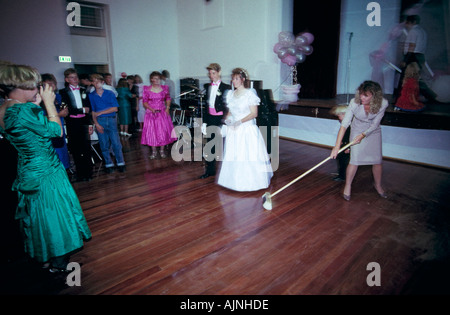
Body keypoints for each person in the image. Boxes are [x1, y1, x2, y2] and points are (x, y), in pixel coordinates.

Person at [0, 63, 91, 272]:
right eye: (34, 86)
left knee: (38, 218)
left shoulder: (4, 108)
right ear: (21, 87)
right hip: (46, 171)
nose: (38, 90)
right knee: (55, 218)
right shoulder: (24, 110)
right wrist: (49, 105)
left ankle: (45, 258)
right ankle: (58, 264)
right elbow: (55, 132)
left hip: (26, 168)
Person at [331, 80, 389, 201]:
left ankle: (378, 185)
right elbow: (344, 125)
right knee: (354, 160)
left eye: (366, 95)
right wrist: (337, 147)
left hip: (373, 131)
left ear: (374, 96)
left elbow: (375, 124)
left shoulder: (383, 103)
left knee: (377, 160)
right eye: (361, 93)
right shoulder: (354, 103)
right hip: (357, 129)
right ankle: (347, 185)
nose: (362, 97)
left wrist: (363, 135)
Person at [217, 68, 273, 191]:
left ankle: (251, 182)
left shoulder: (250, 94)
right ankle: (233, 182)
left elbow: (254, 113)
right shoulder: (231, 94)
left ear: (243, 80)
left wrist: (239, 122)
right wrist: (227, 121)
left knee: (248, 155)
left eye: (237, 78)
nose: (234, 81)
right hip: (234, 129)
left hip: (247, 128)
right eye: (233, 78)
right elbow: (230, 112)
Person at [60, 68, 94, 182]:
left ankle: (89, 172)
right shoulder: (63, 92)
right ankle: (80, 173)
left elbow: (89, 109)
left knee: (86, 148)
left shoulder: (83, 90)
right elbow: (67, 110)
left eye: (76, 77)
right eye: (72, 77)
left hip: (84, 121)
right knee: (76, 149)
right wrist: (81, 110)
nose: (75, 79)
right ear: (67, 79)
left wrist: (90, 124)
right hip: (72, 123)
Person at [88, 74, 126, 173]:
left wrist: (100, 112)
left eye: (98, 81)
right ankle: (108, 164)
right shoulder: (91, 96)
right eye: (94, 82)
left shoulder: (110, 93)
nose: (96, 84)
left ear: (102, 82)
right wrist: (96, 123)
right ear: (92, 83)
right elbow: (93, 111)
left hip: (111, 120)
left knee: (116, 143)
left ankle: (120, 162)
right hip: (100, 121)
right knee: (103, 144)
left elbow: (115, 108)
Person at [200, 63, 231, 179]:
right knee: (210, 144)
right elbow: (206, 105)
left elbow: (228, 106)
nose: (211, 75)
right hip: (210, 118)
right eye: (210, 73)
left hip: (220, 118)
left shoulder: (226, 87)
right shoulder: (208, 86)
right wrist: (204, 122)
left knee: (224, 145)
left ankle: (227, 171)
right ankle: (210, 170)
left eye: (213, 73)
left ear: (219, 72)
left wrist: (224, 122)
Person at [396, 15, 436, 102]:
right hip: (420, 55)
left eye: (407, 22)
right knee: (416, 78)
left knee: (405, 77)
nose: (406, 24)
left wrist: (405, 60)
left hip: (413, 56)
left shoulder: (413, 31)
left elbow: (412, 46)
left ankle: (400, 97)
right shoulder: (422, 31)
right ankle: (429, 95)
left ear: (411, 22)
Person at [141, 71, 177, 159]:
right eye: (155, 79)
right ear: (151, 79)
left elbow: (168, 98)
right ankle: (153, 151)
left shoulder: (165, 88)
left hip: (162, 113)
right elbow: (144, 102)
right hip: (151, 114)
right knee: (152, 132)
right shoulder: (147, 89)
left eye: (159, 79)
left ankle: (161, 150)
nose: (158, 80)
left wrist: (168, 108)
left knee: (162, 132)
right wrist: (151, 109)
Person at [41, 73, 71, 171]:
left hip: (60, 129)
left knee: (63, 152)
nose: (51, 86)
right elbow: (40, 118)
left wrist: (65, 113)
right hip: (50, 132)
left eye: (52, 84)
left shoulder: (58, 97)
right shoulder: (40, 100)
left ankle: (65, 170)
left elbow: (64, 112)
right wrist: (59, 114)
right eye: (48, 84)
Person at [330, 105, 350, 182]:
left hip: (349, 145)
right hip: (344, 144)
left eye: (339, 114)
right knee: (339, 157)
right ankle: (341, 174)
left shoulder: (351, 125)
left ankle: (343, 176)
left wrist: (348, 148)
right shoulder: (344, 123)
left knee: (345, 161)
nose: (338, 116)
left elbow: (352, 136)